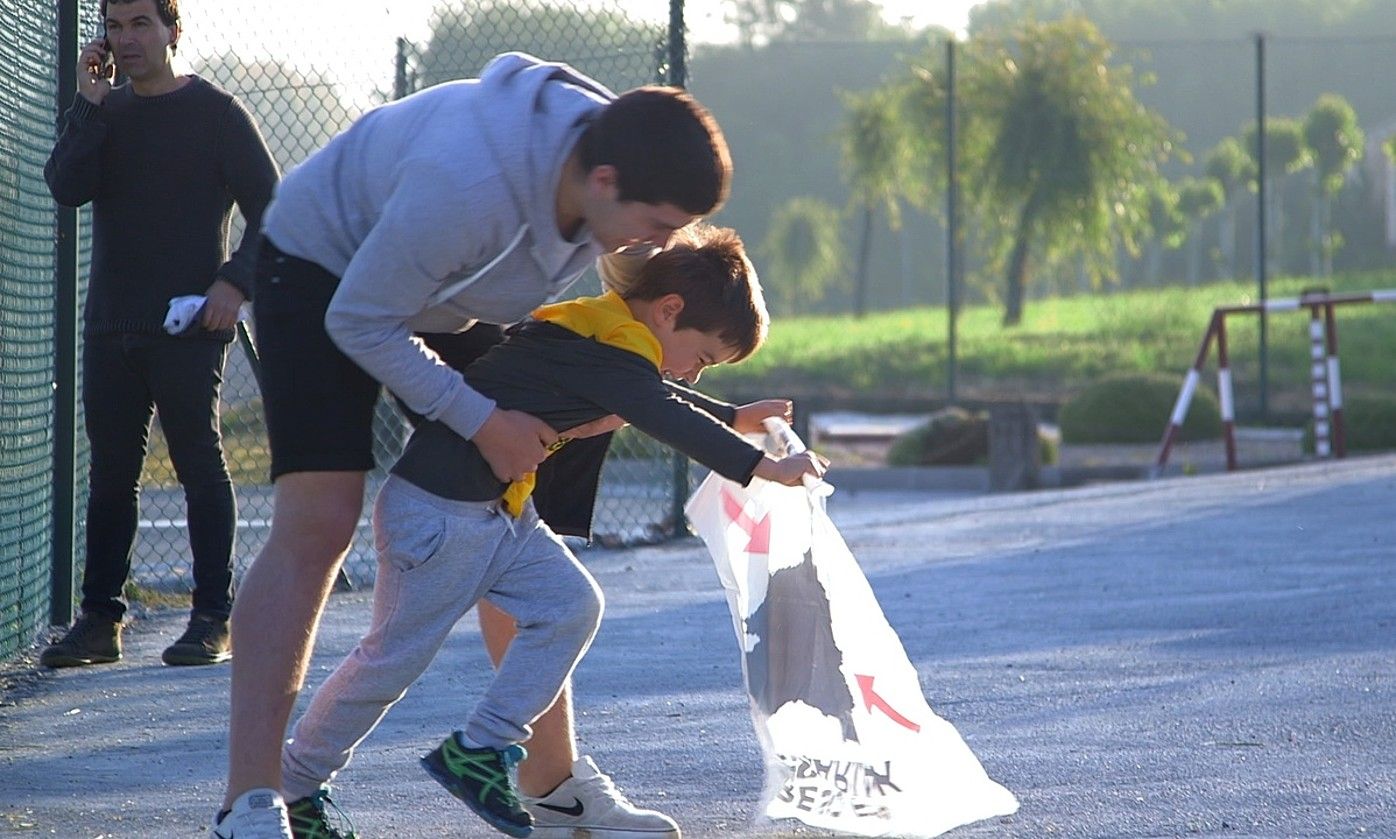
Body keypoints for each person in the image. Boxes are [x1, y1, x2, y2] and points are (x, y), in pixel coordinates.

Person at [216, 51, 733, 838]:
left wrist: (684, 381)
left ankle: (551, 784)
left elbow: (628, 297)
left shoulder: (614, 159)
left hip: (443, 291)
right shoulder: (466, 188)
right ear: (602, 184)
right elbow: (361, 321)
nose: (664, 244)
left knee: (518, 508)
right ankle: (253, 801)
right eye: (659, 225)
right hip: (328, 273)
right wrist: (483, 419)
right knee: (321, 518)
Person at [277, 228, 826, 838]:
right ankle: (293, 785)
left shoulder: (606, 331)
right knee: (388, 662)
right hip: (439, 515)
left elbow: (650, 393)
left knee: (570, 605)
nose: (695, 375)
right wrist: (764, 467)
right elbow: (657, 408)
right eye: (701, 357)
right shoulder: (613, 343)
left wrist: (731, 415)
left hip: (498, 515)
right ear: (669, 311)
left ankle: (481, 747)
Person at [40, 0, 277, 669]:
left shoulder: (219, 114)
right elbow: (65, 185)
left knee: (201, 463)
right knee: (111, 474)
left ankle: (212, 616)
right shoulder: (104, 113)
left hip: (191, 323)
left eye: (141, 24)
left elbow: (274, 210)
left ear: (173, 31)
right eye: (115, 27)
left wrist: (234, 284)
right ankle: (99, 621)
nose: (128, 38)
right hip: (112, 322)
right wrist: (87, 102)